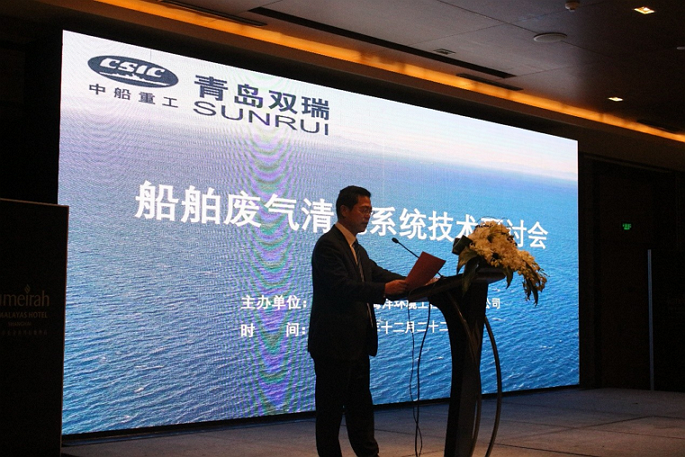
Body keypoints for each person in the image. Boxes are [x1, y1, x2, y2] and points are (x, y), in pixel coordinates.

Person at [308, 185, 408, 457]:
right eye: (364, 210)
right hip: (333, 346)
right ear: (344, 210)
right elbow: (342, 287)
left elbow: (378, 274)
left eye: (370, 211)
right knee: (330, 415)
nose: (368, 216)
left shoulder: (357, 249)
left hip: (358, 345)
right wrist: (384, 290)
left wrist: (416, 282)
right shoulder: (328, 245)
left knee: (361, 411)